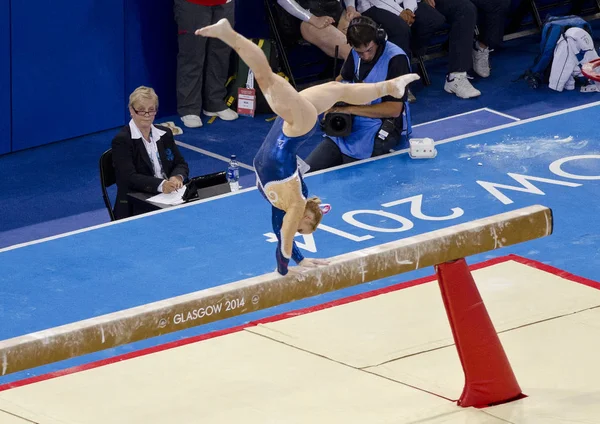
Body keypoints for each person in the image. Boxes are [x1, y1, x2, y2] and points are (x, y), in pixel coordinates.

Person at [195, 18, 419, 275]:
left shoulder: (286, 203)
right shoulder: (295, 204)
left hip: (290, 127)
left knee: (326, 88)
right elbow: (285, 238)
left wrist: (298, 261)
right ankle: (228, 34)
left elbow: (278, 231)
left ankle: (388, 86)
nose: (298, 231)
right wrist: (285, 266)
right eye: (304, 229)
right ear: (308, 216)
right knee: (286, 80)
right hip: (295, 127)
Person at [305, 16, 414, 171]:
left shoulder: (396, 59)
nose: (366, 56)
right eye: (360, 52)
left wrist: (349, 109)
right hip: (352, 124)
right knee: (307, 172)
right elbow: (341, 80)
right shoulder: (355, 53)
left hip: (382, 124)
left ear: (378, 39)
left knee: (349, 179)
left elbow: (394, 109)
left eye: (369, 50)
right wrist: (332, 103)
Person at [112, 86, 190, 220]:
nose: (147, 115)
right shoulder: (122, 141)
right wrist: (161, 185)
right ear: (132, 111)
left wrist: (177, 177)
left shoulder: (165, 134)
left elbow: (180, 163)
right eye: (142, 111)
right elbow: (128, 178)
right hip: (137, 202)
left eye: (151, 110)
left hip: (168, 198)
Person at [174, 0, 239, 128]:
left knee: (221, 53)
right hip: (192, 3)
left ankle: (214, 102)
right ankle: (189, 108)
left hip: (224, 3)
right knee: (192, 54)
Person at [275, 0, 358, 59]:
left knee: (364, 42)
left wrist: (350, 7)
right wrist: (312, 19)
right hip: (304, 18)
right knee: (353, 52)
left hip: (334, 9)